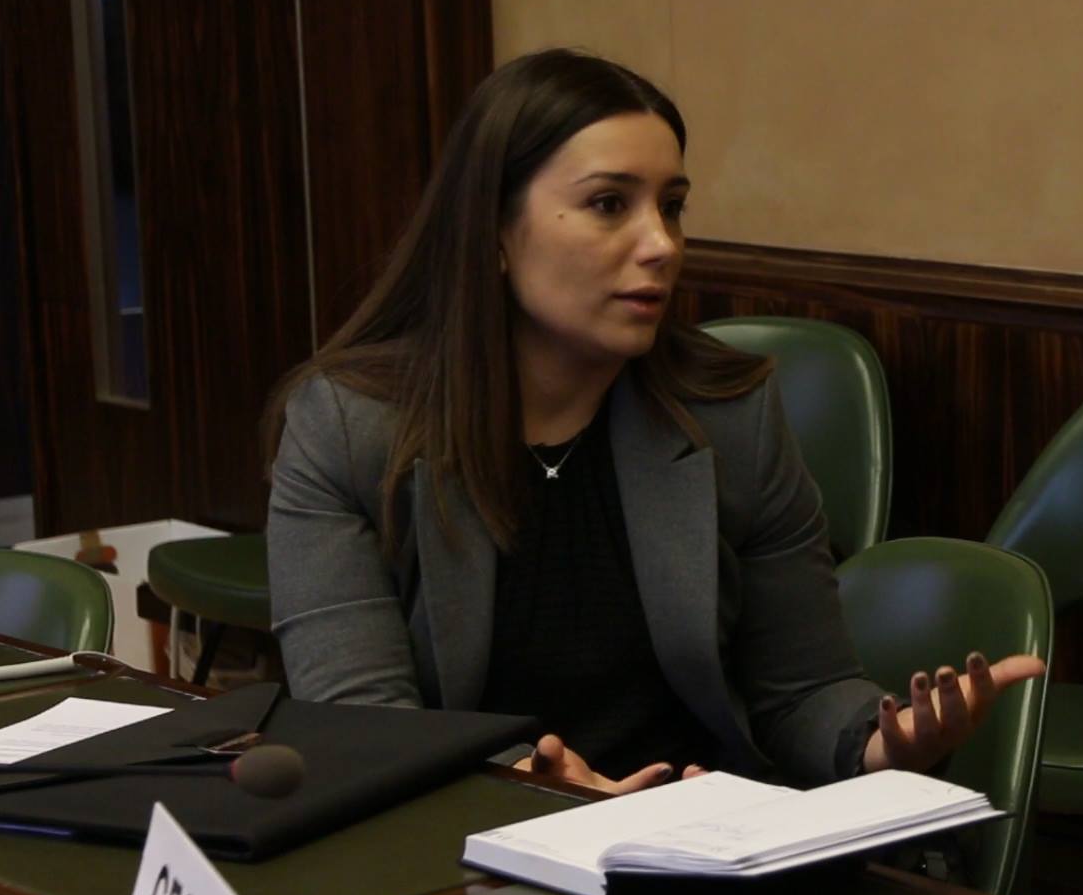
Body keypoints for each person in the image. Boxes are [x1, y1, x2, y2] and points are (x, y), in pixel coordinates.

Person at [265, 49, 1043, 793]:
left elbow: (803, 690)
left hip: (697, 841)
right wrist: (531, 791)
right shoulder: (349, 426)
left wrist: (883, 741)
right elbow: (365, 727)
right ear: (494, 229)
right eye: (610, 204)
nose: (661, 244)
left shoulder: (727, 414)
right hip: (461, 844)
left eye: (671, 207)